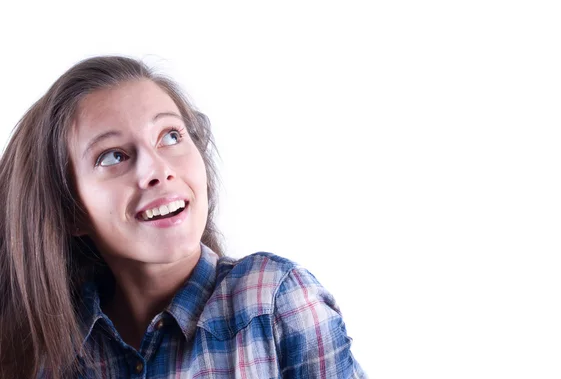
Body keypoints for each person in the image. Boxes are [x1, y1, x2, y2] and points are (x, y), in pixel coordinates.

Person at [0, 55, 366, 379]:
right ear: (70, 211)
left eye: (171, 135)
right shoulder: (47, 356)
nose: (158, 169)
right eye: (113, 156)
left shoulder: (275, 301)